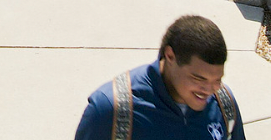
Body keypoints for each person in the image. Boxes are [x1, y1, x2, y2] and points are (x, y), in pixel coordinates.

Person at [74, 15, 244, 140]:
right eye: (199, 79)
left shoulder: (224, 104)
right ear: (170, 56)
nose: (209, 90)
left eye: (217, 80)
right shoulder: (110, 110)